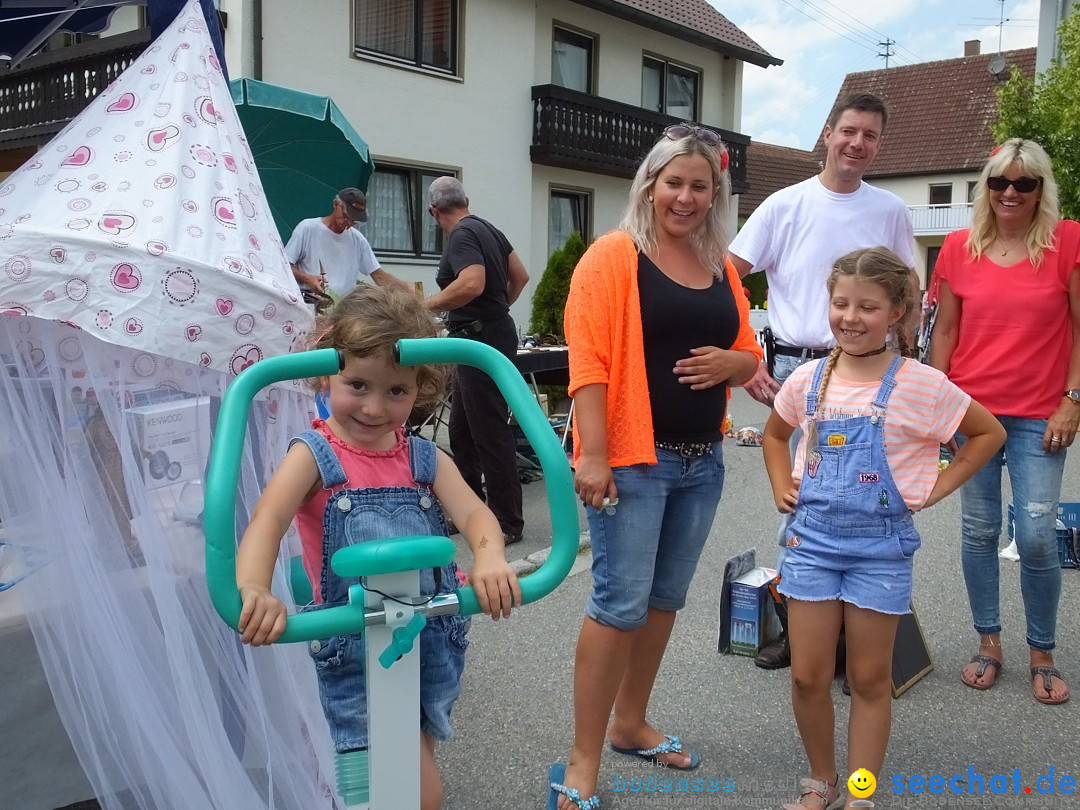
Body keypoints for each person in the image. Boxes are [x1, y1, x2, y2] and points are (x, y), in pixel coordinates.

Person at [235, 285, 521, 810]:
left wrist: (489, 554)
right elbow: (268, 518)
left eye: (396, 391)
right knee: (397, 790)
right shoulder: (314, 454)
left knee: (413, 763)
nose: (373, 406)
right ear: (326, 373)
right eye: (358, 384)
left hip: (427, 635)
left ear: (421, 386)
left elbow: (476, 512)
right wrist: (254, 586)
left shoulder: (423, 457)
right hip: (356, 643)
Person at [548, 123, 762, 810]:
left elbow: (749, 351)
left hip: (704, 461)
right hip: (636, 463)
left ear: (715, 193)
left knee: (664, 602)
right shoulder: (615, 256)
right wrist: (596, 455)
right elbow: (588, 362)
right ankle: (583, 761)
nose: (687, 196)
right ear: (651, 182)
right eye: (675, 182)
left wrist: (740, 364)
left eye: (701, 186)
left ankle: (631, 722)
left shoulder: (719, 264)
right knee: (618, 605)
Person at [763, 247, 1004, 810]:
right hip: (812, 544)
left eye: (867, 307)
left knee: (871, 680)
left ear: (896, 311)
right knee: (807, 676)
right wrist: (780, 481)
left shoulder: (923, 385)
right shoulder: (807, 380)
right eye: (840, 303)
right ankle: (821, 782)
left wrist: (936, 488)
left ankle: (860, 792)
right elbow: (776, 436)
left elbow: (987, 434)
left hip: (880, 551)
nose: (850, 317)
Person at [728, 91, 915, 670]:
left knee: (863, 498)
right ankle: (802, 627)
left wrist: (908, 368)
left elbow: (907, 294)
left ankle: (855, 637)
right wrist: (744, 356)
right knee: (803, 504)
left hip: (869, 373)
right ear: (828, 134)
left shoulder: (889, 210)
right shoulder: (785, 204)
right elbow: (728, 277)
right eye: (849, 132)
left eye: (871, 137)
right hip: (797, 368)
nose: (858, 144)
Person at [928, 138, 1080, 706]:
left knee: (1038, 534)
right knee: (978, 530)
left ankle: (1043, 651)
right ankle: (988, 643)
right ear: (985, 187)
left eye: (1024, 183)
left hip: (1041, 413)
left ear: (1042, 189)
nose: (1010, 193)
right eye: (999, 182)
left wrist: (1074, 399)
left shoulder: (1068, 242)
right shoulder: (957, 247)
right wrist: (936, 403)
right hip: (973, 413)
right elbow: (944, 331)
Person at [423, 176, 530, 545]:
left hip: (478, 338)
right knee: (463, 432)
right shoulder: (490, 229)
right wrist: (499, 311)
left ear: (434, 211)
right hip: (490, 333)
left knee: (488, 431)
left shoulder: (461, 235)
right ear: (465, 199)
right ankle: (468, 510)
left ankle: (506, 521)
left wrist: (426, 307)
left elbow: (472, 283)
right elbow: (521, 276)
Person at [285, 187, 412, 299]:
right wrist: (307, 278)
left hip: (341, 310)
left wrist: (406, 288)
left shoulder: (358, 239)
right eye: (346, 216)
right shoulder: (308, 228)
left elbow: (378, 276)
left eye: (354, 221)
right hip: (311, 303)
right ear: (335, 204)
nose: (349, 223)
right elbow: (284, 264)